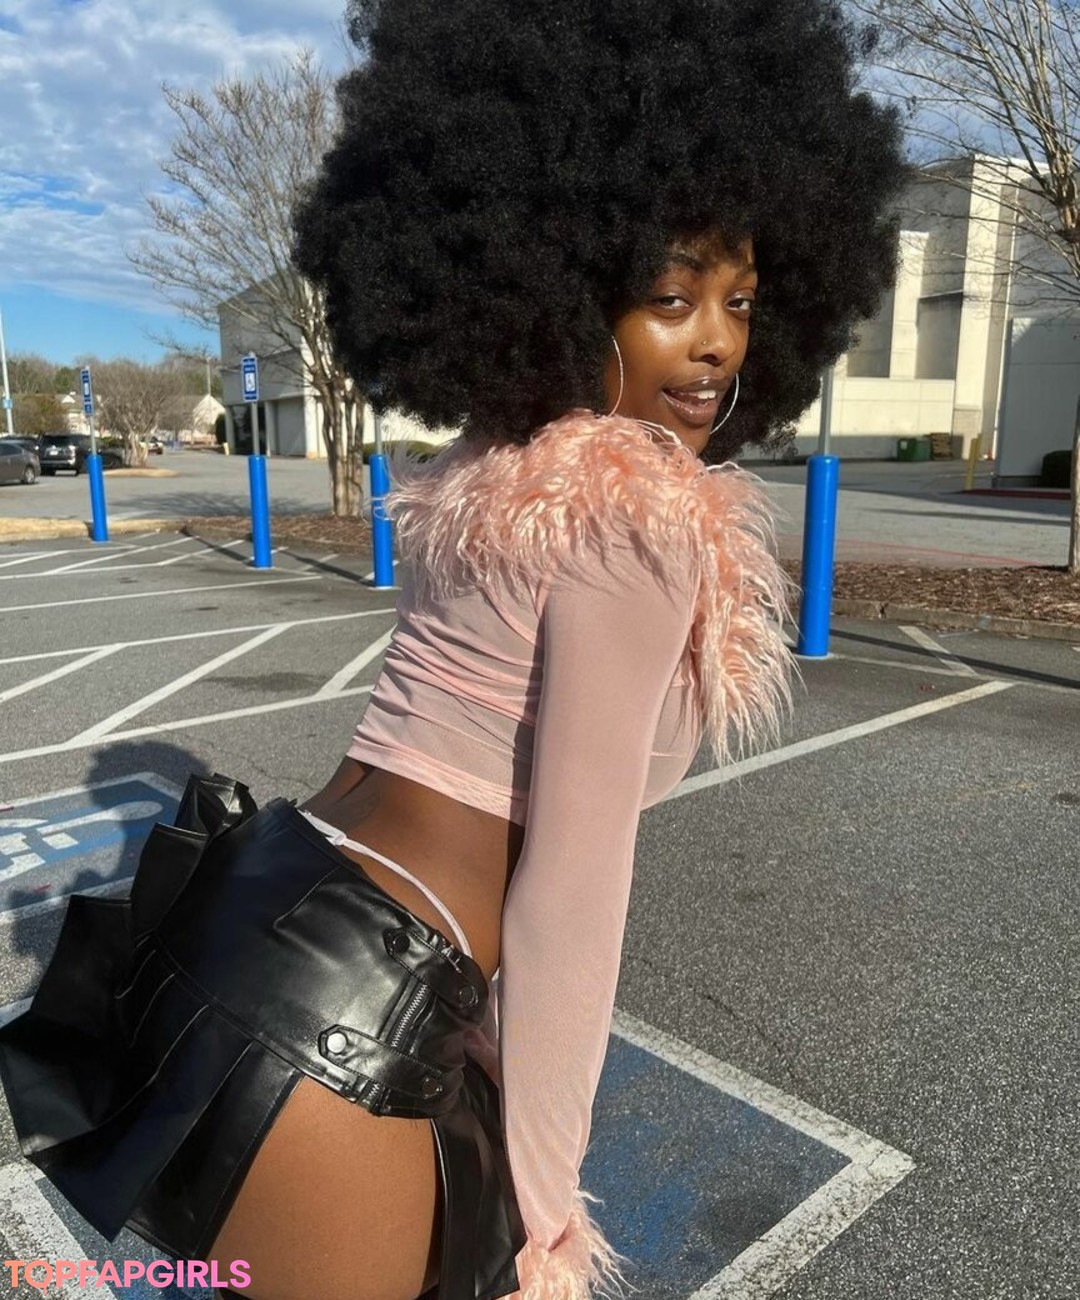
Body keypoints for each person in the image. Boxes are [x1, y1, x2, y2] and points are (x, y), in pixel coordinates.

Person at [0, 1, 907, 1297]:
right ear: (568, 288)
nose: (716, 341)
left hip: (248, 903)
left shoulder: (489, 468)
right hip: (350, 1021)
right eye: (668, 297)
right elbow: (572, 895)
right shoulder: (637, 517)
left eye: (742, 299)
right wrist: (549, 1219)